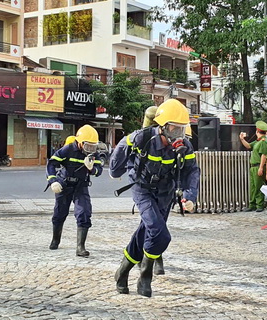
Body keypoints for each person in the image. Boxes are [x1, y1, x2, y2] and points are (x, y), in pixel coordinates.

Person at [110, 99, 200, 297]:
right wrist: (114, 170)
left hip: (165, 193)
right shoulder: (143, 138)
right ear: (162, 126)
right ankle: (145, 275)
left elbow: (192, 171)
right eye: (174, 129)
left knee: (147, 231)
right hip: (143, 189)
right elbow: (121, 147)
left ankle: (122, 272)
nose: (178, 134)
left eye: (181, 129)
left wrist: (190, 195)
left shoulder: (184, 145)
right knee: (160, 233)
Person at [46, 125, 103, 257]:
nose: (90, 149)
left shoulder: (93, 154)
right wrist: (53, 181)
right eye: (88, 146)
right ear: (80, 142)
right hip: (64, 184)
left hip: (81, 185)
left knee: (84, 212)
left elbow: (98, 170)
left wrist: (91, 169)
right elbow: (51, 164)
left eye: (93, 146)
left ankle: (80, 247)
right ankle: (56, 239)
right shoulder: (68, 149)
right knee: (60, 213)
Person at [240, 121, 267, 212]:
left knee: (258, 186)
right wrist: (242, 139)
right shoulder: (258, 141)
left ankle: (260, 205)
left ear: (257, 131)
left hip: (258, 166)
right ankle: (252, 204)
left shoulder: (263, 142)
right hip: (253, 167)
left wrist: (261, 167)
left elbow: (264, 155)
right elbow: (248, 146)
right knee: (253, 186)